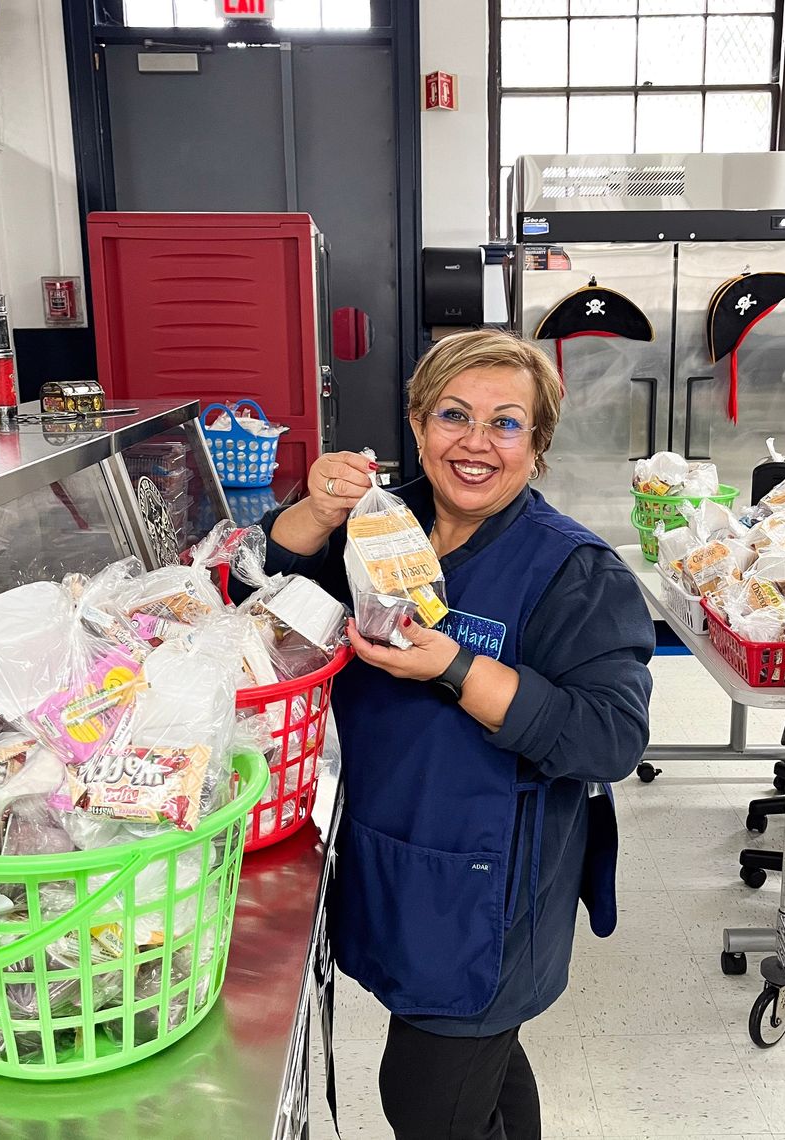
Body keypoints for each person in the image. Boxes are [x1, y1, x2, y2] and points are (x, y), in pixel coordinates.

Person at [252, 329, 654, 1139]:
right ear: (415, 421)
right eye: (453, 415)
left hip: (489, 895)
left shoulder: (573, 571)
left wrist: (455, 668)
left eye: (507, 423)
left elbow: (611, 737)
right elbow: (259, 613)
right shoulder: (379, 527)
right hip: (395, 856)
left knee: (428, 1097)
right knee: (487, 1069)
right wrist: (310, 512)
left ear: (537, 445)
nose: (475, 443)